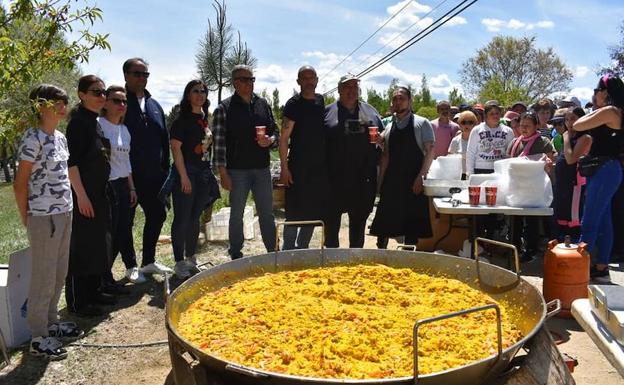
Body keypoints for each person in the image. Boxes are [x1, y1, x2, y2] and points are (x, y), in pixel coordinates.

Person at [14, 84, 83, 360]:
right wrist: (26, 217)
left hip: (64, 213)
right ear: (40, 106)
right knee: (43, 276)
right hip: (43, 218)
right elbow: (20, 184)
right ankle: (37, 336)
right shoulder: (32, 138)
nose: (62, 106)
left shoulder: (60, 138)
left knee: (59, 272)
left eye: (63, 102)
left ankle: (52, 322)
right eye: (56, 102)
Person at [213, 65, 278, 259]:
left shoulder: (262, 104)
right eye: (244, 79)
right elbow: (218, 144)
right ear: (234, 83)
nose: (249, 83)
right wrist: (223, 173)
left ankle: (273, 251)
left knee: (267, 213)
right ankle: (235, 253)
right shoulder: (224, 108)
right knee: (236, 214)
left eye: (251, 79)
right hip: (237, 171)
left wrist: (270, 140)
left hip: (262, 169)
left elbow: (275, 130)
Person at [65, 75, 112, 317]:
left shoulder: (94, 121)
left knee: (96, 245)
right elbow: (71, 164)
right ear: (82, 94)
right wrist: (80, 196)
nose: (101, 97)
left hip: (98, 194)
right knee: (82, 248)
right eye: (96, 92)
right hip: (82, 196)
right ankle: (78, 302)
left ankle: (94, 293)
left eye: (103, 92)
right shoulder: (78, 123)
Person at [123, 58, 172, 275]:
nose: (142, 78)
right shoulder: (118, 102)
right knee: (125, 222)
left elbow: (164, 139)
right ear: (126, 75)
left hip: (155, 176)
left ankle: (148, 261)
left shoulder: (154, 106)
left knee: (158, 215)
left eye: (145, 74)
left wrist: (165, 170)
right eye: (137, 74)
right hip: (127, 177)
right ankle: (130, 266)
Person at [573, 74, 624, 282]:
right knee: (603, 221)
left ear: (605, 92)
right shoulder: (613, 111)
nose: (594, 95)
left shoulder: (610, 111)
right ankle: (601, 265)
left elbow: (577, 125)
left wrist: (594, 109)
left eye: (596, 91)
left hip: (604, 170)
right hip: (606, 170)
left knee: (590, 220)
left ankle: (578, 267)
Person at [324, 74, 384, 248]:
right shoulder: (327, 112)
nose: (351, 90)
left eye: (354, 86)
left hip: (363, 180)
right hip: (334, 180)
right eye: (347, 87)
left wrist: (381, 140)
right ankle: (331, 264)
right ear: (339, 89)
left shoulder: (371, 111)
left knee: (358, 228)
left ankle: (355, 263)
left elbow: (384, 141)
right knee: (331, 227)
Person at [168, 80, 220, 278]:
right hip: (187, 173)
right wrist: (183, 177)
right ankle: (179, 262)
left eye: (203, 91)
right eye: (195, 91)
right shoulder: (182, 120)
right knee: (181, 218)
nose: (200, 94)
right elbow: (176, 149)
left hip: (203, 174)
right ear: (188, 95)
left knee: (194, 219)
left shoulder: (204, 119)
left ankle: (191, 258)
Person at [370, 86, 434, 246]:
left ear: (410, 101)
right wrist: (380, 183)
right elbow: (386, 157)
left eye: (401, 98)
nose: (398, 102)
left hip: (413, 182)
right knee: (384, 225)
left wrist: (421, 178)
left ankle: (408, 260)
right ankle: (381, 257)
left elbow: (430, 152)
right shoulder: (390, 126)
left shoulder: (422, 123)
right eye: (395, 99)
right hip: (392, 182)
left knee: (411, 230)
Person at [279, 66, 328, 250]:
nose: (308, 81)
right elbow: (284, 138)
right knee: (293, 213)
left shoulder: (321, 101)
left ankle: (303, 249)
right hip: (297, 167)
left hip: (319, 169)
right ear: (298, 81)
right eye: (304, 78)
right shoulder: (293, 104)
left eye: (311, 77)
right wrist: (284, 168)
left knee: (312, 212)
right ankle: (288, 251)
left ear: (316, 80)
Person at [98, 85, 143, 285]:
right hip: (107, 186)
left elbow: (127, 162)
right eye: (116, 101)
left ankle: (131, 266)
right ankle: (103, 274)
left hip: (124, 185)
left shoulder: (124, 130)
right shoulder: (98, 125)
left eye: (124, 101)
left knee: (125, 228)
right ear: (105, 103)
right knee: (112, 232)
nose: (121, 105)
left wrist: (132, 187)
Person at [507, 112, 556, 261]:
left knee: (532, 221)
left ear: (536, 126)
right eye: (522, 125)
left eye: (528, 126)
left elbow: (551, 159)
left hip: (534, 188)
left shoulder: (543, 142)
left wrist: (548, 163)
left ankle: (530, 250)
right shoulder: (514, 142)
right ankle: (514, 248)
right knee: (514, 220)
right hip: (517, 187)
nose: (524, 128)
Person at [554, 107, 590, 242]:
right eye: (567, 120)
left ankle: (575, 247)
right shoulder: (569, 138)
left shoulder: (585, 137)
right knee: (561, 217)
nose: (569, 123)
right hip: (563, 185)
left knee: (574, 219)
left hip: (575, 185)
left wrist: (566, 137)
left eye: (573, 119)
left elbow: (571, 159)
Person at [466, 100, 514, 175]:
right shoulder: (477, 130)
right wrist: (470, 173)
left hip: (500, 169)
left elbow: (511, 153)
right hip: (480, 169)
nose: (495, 116)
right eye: (491, 114)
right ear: (485, 115)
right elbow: (470, 153)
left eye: (497, 113)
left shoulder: (508, 131)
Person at [449, 110, 478, 179]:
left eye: (470, 122)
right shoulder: (455, 140)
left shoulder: (480, 140)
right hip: (460, 175)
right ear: (459, 124)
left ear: (475, 124)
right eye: (463, 122)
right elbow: (450, 159)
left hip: (476, 173)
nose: (466, 125)